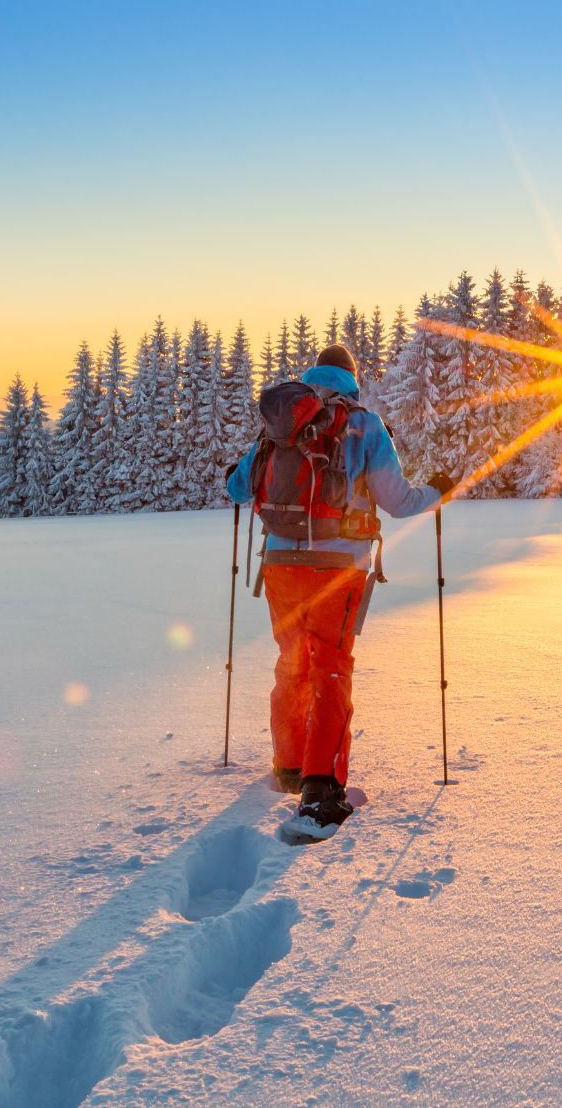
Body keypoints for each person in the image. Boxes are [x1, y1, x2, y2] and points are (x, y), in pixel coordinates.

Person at [225, 344, 452, 834]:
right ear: (352, 378)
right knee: (330, 665)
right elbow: (398, 501)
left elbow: (239, 488)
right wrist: (439, 491)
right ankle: (321, 790)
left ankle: (290, 765)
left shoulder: (282, 421)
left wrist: (238, 477)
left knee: (292, 659)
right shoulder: (363, 424)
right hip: (338, 566)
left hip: (280, 564)